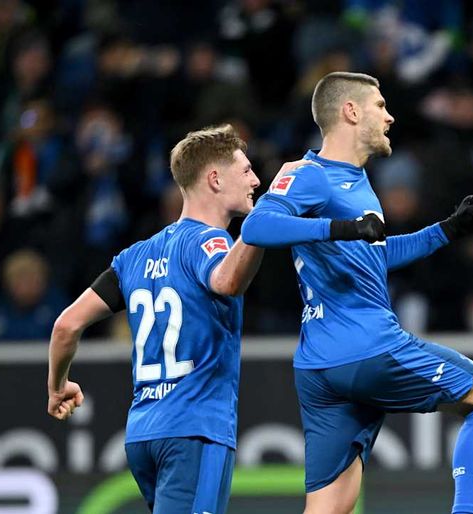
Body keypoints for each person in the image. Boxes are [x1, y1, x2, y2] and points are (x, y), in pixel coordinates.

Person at [241, 72, 473, 514]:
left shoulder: (356, 180)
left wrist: (447, 229)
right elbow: (256, 227)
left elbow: (371, 255)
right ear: (351, 111)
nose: (390, 117)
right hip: (366, 347)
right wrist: (341, 228)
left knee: (330, 507)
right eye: (380, 106)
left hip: (320, 366)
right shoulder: (312, 175)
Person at [46, 125, 301, 513]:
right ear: (215, 179)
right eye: (246, 170)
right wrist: (270, 211)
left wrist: (57, 386)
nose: (255, 180)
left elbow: (66, 325)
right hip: (194, 429)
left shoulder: (133, 257)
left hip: (143, 433)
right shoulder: (210, 242)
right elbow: (227, 281)